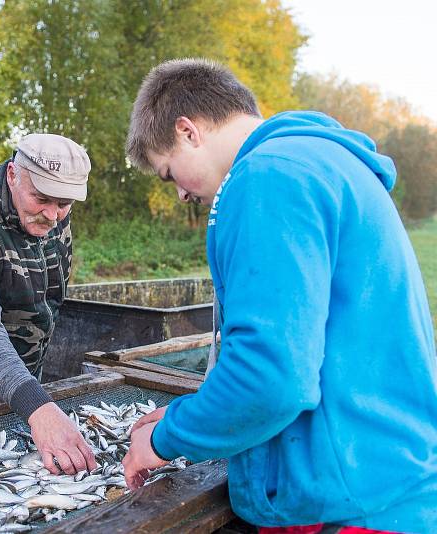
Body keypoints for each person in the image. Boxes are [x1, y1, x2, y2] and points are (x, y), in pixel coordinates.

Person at [122, 58, 437, 532]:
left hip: (347, 504)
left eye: (169, 174)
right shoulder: (323, 161)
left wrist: (166, 438)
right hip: (386, 477)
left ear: (188, 131)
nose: (182, 196)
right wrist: (196, 411)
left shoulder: (267, 177)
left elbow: (272, 376)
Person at [0, 134, 97, 475]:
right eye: (41, 198)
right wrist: (38, 407)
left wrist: (32, 400)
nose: (53, 215)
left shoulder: (50, 207)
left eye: (65, 204)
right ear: (12, 174)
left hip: (22, 384)